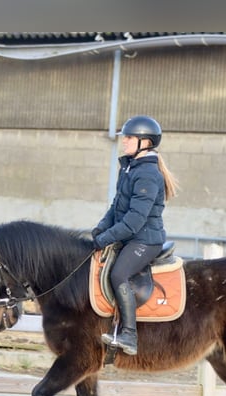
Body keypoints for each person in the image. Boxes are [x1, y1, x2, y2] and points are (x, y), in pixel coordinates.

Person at [91, 115, 179, 355]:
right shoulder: (129, 168)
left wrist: (106, 238)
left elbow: (134, 220)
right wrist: (100, 228)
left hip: (145, 240)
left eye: (129, 138)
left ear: (145, 142)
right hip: (130, 236)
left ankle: (129, 335)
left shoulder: (148, 175)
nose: (124, 142)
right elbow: (116, 207)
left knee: (119, 274)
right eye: (125, 137)